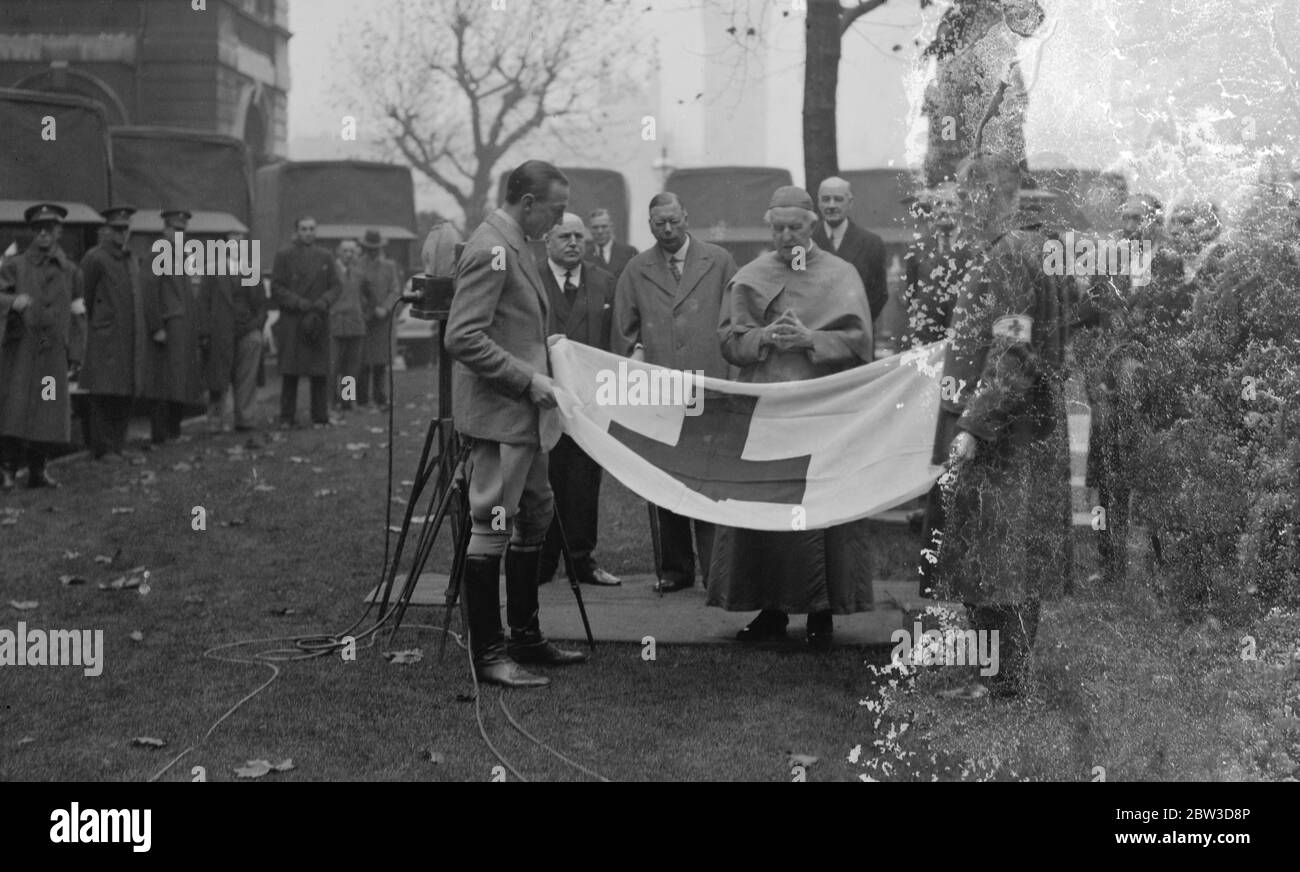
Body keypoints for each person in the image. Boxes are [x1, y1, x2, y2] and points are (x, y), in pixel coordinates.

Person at [709, 186, 876, 649]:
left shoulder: (842, 276)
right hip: (769, 416)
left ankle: (823, 611)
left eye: (796, 228)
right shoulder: (750, 276)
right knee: (770, 510)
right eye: (778, 228)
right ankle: (771, 608)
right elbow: (728, 341)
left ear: (812, 226)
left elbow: (861, 343)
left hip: (823, 413)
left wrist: (811, 341)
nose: (787, 237)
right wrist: (762, 337)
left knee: (822, 512)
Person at [930, 150, 1071, 698]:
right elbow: (1062, 328)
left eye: (968, 195)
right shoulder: (1041, 247)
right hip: (1030, 425)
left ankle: (998, 681)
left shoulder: (1012, 253)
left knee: (990, 554)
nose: (962, 207)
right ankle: (1007, 677)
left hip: (1004, 432)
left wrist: (972, 424)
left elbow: (1013, 350)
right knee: (1014, 554)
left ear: (992, 195)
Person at [444, 159, 588, 688]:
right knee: (492, 523)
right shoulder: (492, 248)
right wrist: (529, 380)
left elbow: (511, 326)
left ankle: (525, 636)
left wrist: (544, 355)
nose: (558, 220)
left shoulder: (517, 242)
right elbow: (462, 337)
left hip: (524, 418)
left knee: (535, 514)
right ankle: (488, 654)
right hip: (500, 416)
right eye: (555, 209)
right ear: (527, 203)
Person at [613, 192, 738, 593]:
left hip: (710, 387)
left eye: (673, 221)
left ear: (686, 217)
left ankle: (716, 571)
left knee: (708, 477)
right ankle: (674, 570)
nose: (667, 230)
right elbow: (624, 330)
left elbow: (736, 321)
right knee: (663, 479)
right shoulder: (636, 269)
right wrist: (636, 359)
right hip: (661, 392)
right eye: (658, 224)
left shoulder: (718, 262)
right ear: (649, 226)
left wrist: (731, 380)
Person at [535, 212, 621, 588]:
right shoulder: (529, 280)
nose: (573, 242)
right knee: (544, 477)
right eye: (565, 236)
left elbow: (614, 339)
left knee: (585, 481)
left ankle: (581, 560)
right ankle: (540, 559)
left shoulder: (604, 281)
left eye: (578, 236)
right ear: (548, 241)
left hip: (589, 403)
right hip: (543, 399)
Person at [0, 203, 83, 489]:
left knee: (47, 410)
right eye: (38, 229)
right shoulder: (14, 265)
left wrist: (75, 351)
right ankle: (8, 470)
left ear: (58, 232)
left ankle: (38, 471)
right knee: (15, 408)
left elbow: (77, 313)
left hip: (52, 354)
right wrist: (12, 302)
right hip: (21, 352)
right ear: (33, 232)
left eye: (50, 229)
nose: (44, 234)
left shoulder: (71, 271)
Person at [80, 205, 146, 461]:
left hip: (128, 339)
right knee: (104, 393)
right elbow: (84, 297)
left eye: (125, 229)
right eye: (116, 229)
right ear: (106, 230)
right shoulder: (95, 258)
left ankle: (117, 444)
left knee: (124, 392)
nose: (121, 234)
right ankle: (103, 448)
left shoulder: (130, 258)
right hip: (105, 339)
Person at [141, 207, 205, 444]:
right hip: (167, 327)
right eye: (175, 229)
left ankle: (174, 431)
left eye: (183, 230)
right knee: (163, 382)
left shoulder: (183, 256)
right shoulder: (157, 254)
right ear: (165, 229)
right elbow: (149, 292)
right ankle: (161, 433)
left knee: (180, 380)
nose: (179, 234)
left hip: (183, 328)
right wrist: (156, 326)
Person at [271, 216, 339, 428]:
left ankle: (320, 415)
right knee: (290, 372)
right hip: (293, 320)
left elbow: (336, 286)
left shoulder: (326, 256)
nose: (308, 232)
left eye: (311, 228)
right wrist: (297, 302)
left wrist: (323, 301)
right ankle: (286, 417)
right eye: (304, 229)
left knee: (319, 372)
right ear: (297, 231)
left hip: (318, 320)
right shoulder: (284, 255)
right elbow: (276, 287)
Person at [198, 230, 266, 432]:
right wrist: (205, 333)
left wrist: (255, 326)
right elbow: (203, 303)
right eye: (232, 243)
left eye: (241, 243)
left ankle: (245, 419)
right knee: (218, 377)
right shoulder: (212, 270)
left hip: (247, 329)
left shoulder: (250, 270)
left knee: (247, 376)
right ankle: (215, 420)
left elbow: (261, 305)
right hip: (220, 330)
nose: (237, 247)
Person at [811, 176, 889, 322]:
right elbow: (797, 285)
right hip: (814, 333)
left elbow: (880, 295)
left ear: (850, 203)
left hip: (856, 333)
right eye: (826, 199)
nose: (831, 205)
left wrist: (856, 323)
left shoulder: (872, 244)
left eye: (838, 199)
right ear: (819, 203)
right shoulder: (804, 243)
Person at [356, 229, 403, 411]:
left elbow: (395, 290)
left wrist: (385, 307)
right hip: (364, 320)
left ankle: (380, 398)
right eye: (369, 248)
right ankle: (359, 399)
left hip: (383, 322)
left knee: (381, 363)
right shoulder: (358, 265)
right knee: (361, 362)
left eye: (376, 248)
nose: (373, 251)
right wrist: (369, 308)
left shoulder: (389, 266)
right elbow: (356, 291)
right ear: (365, 248)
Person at [330, 239, 366, 413]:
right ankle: (330, 403)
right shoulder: (330, 272)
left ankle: (347, 401)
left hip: (355, 324)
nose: (349, 254)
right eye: (345, 251)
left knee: (351, 367)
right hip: (335, 324)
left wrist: (364, 312)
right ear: (338, 251)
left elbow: (368, 296)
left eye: (352, 251)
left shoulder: (358, 273)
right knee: (333, 366)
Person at [586, 208, 637, 279]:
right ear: (590, 229)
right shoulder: (584, 256)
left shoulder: (629, 253)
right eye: (595, 227)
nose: (600, 231)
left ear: (611, 227)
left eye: (604, 226)